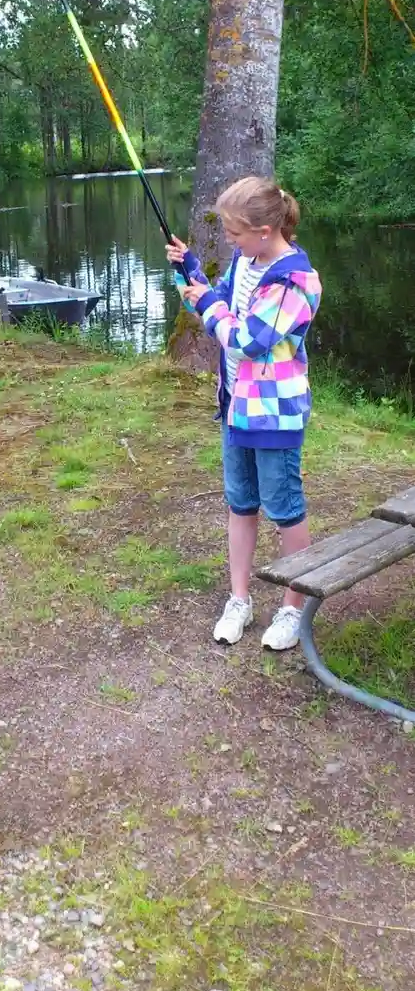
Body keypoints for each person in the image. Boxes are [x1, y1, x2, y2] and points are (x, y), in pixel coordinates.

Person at [166, 176, 322, 651]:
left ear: (263, 229)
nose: (228, 240)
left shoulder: (296, 280)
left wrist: (208, 305)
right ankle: (239, 599)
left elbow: (249, 338)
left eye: (233, 232)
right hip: (235, 406)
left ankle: (293, 608)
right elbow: (219, 299)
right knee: (240, 503)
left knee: (285, 508)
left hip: (275, 415)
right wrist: (189, 271)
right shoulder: (246, 259)